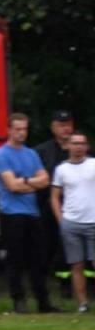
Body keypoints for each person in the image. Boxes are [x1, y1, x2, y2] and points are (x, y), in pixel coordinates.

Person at [0, 112, 56, 313]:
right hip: (11, 214)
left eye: (24, 129)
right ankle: (18, 301)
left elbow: (45, 180)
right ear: (9, 130)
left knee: (38, 259)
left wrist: (25, 182)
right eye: (17, 129)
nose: (21, 133)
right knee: (16, 260)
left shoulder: (31, 154)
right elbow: (11, 185)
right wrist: (31, 183)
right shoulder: (1, 155)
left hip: (32, 213)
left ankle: (43, 302)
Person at [51, 129, 94, 313]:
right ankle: (82, 303)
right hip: (71, 223)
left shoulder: (93, 164)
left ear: (87, 146)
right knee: (76, 264)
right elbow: (54, 196)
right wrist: (61, 220)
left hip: (93, 221)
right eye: (74, 143)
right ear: (68, 146)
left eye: (81, 143)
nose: (78, 147)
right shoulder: (61, 169)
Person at [36, 108, 75, 295]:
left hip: (75, 206)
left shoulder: (82, 149)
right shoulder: (43, 151)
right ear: (53, 128)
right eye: (61, 125)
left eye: (68, 125)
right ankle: (42, 284)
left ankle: (66, 286)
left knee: (68, 246)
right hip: (47, 205)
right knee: (46, 245)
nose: (65, 129)